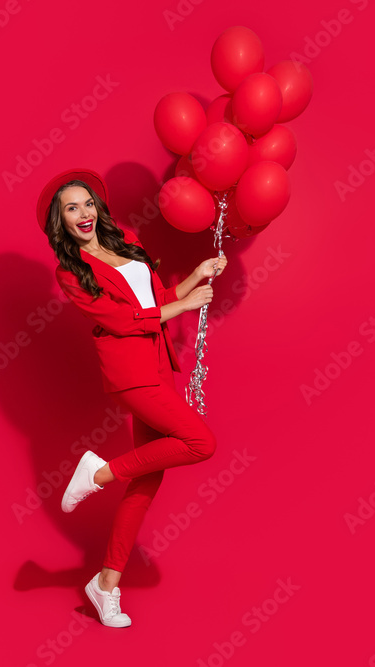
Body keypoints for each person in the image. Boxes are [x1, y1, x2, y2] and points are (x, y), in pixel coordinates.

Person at [35, 167, 227, 627]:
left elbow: (156, 299)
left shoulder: (125, 241)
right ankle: (99, 472)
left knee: (146, 483)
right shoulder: (71, 273)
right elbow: (123, 321)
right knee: (201, 443)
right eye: (70, 209)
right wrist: (181, 306)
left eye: (86, 204)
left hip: (160, 365)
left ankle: (104, 586)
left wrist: (194, 278)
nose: (82, 214)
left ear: (97, 207)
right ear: (60, 223)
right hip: (131, 373)